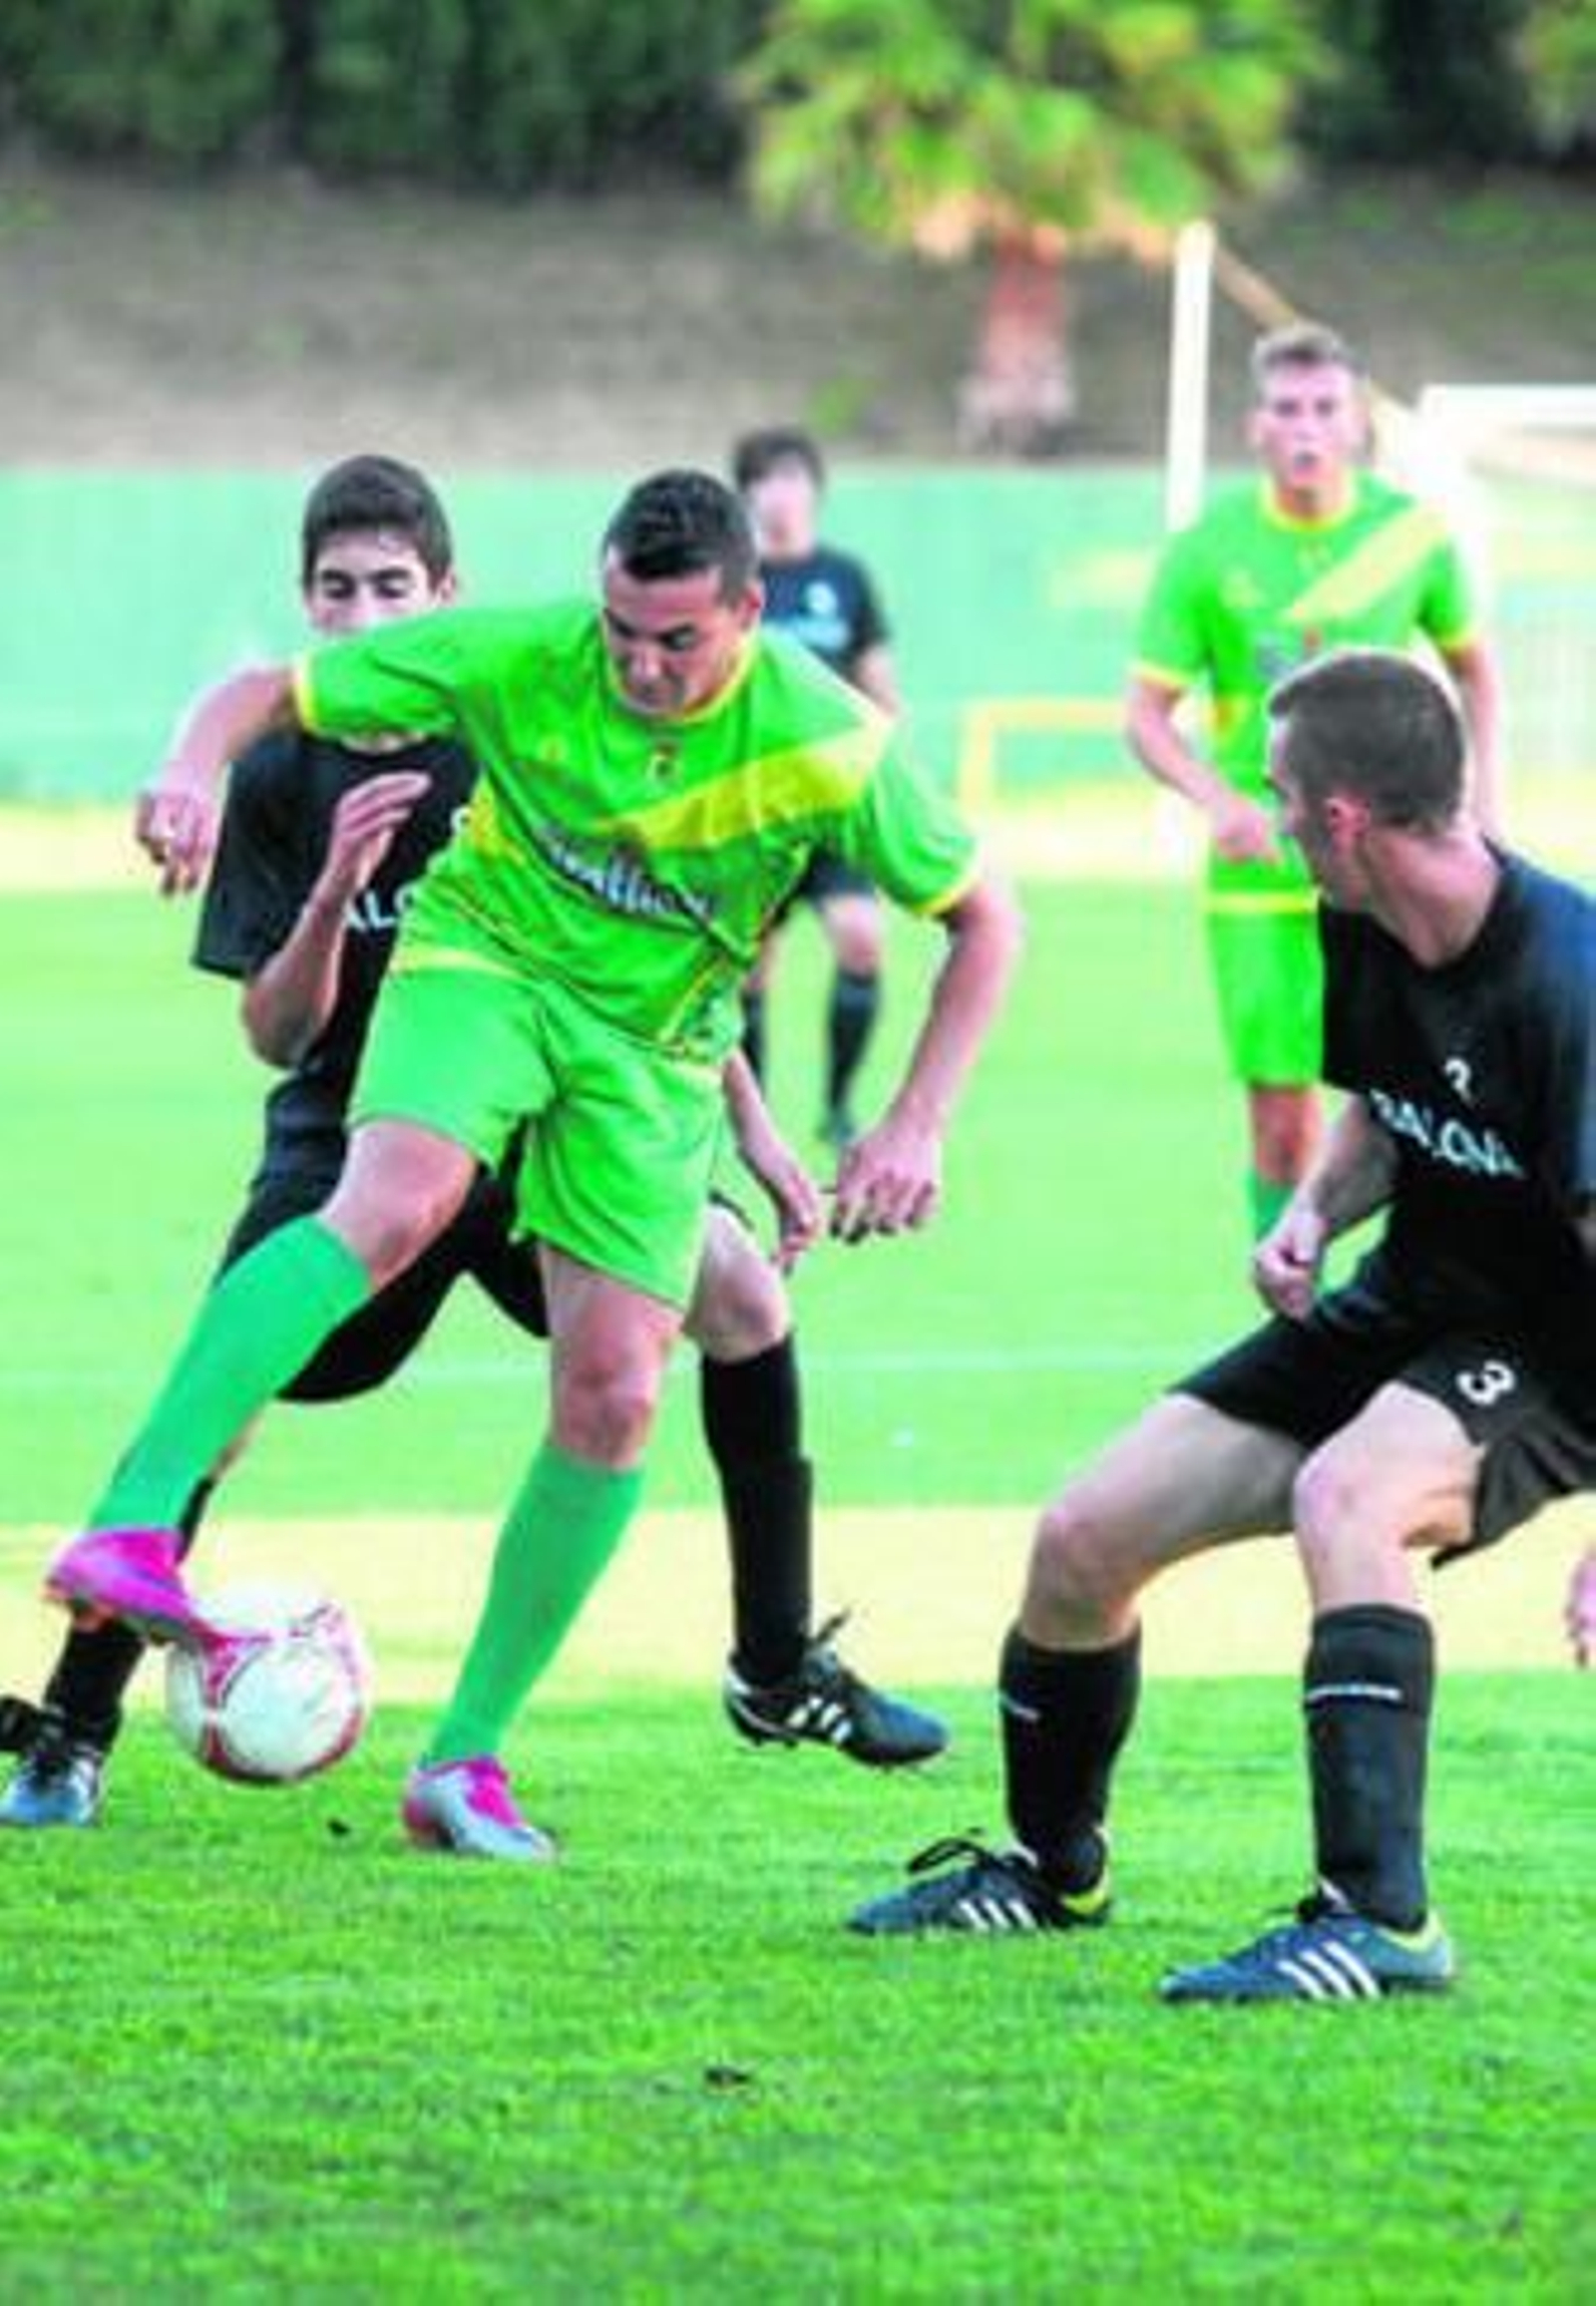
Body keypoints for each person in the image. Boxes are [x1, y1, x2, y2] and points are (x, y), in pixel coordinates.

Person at [42, 468, 1021, 1862]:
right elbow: (261, 693)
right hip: (483, 971)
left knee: (620, 1389)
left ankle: (465, 1760)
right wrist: (188, 769)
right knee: (396, 1198)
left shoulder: (828, 740)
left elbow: (987, 919)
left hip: (648, 1058)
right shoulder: (521, 652)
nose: (639, 666)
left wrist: (913, 1119)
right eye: (621, 629)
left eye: (676, 640)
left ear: (749, 612)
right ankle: (129, 1535)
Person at [852, 648, 1595, 2004]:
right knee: (1084, 1535)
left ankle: (1382, 1919)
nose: (1265, 813)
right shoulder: (1358, 914)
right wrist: (1313, 1210)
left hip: (1556, 1346)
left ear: (1344, 817)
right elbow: (1387, 1102)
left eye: (1279, 791)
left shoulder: (1570, 980)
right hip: (1405, 1304)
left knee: (1349, 1497)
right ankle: (1051, 1868)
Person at [1127, 322, 1503, 1241]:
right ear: (1256, 425)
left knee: (1426, 1101)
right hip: (1263, 874)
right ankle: (1291, 1299)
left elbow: (1477, 675)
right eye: (1287, 409)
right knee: (1281, 1117)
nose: (1306, 427)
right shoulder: (1206, 550)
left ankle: (1425, 1289)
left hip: (1397, 868)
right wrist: (1221, 804)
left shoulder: (1410, 534)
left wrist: (1483, 808)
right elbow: (1143, 716)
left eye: (1325, 407)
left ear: (1357, 421)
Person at [732, 428, 899, 1149]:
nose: (783, 493)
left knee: (861, 937)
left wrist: (883, 763)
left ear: (815, 490)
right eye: (767, 479)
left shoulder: (846, 578)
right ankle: (754, 1120)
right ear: (747, 494)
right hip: (753, 809)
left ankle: (838, 1105)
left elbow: (880, 689)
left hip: (832, 805)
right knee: (748, 972)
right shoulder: (733, 582)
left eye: (795, 478)